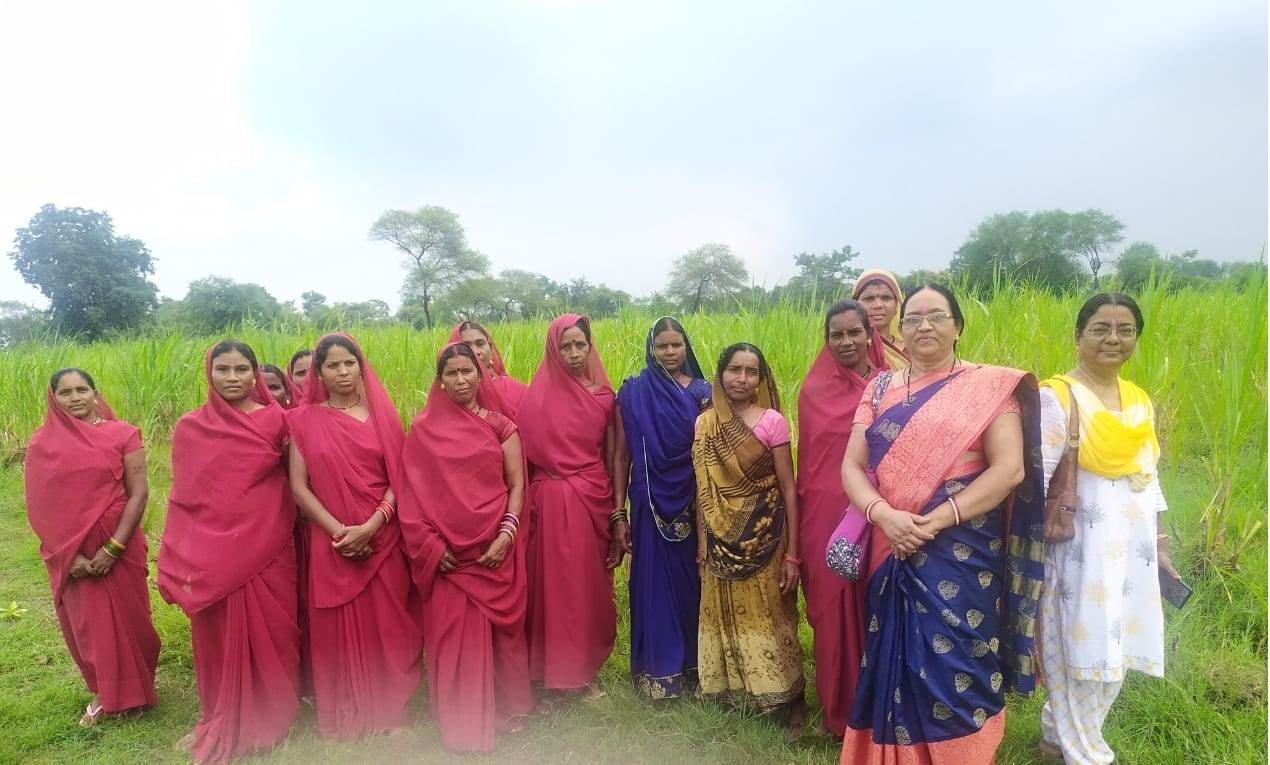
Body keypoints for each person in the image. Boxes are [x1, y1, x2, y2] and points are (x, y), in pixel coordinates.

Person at [839, 283, 1044, 765]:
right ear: (899, 329)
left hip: (960, 553)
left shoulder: (988, 386)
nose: (924, 325)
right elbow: (852, 466)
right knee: (893, 658)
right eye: (913, 317)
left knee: (959, 663)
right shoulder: (880, 387)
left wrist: (937, 519)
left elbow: (1008, 469)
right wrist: (884, 515)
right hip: (891, 545)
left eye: (937, 315)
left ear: (958, 325)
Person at [1036, 293, 1177, 765]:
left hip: (1132, 552)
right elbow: (1036, 484)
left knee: (1118, 649)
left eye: (1125, 329)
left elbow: (1150, 478)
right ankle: (1088, 753)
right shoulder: (1056, 398)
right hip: (1080, 550)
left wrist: (1160, 544)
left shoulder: (1139, 401)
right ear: (1078, 338)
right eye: (1100, 328)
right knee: (1082, 644)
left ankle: (1057, 734)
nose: (1113, 338)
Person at [159, 340, 300, 763]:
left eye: (242, 369)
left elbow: (299, 482)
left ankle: (274, 717)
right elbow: (186, 498)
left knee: (274, 632)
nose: (233, 377)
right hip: (213, 556)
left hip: (269, 545)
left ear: (256, 374)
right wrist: (181, 554)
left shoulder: (280, 421)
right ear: (210, 373)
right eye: (224, 369)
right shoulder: (190, 427)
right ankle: (218, 712)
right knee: (216, 639)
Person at [399, 342, 533, 751]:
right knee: (451, 637)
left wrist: (507, 534)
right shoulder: (422, 430)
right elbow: (411, 495)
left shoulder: (501, 426)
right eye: (451, 374)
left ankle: (504, 711)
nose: (460, 380)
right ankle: (459, 720)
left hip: (495, 549)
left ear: (481, 375)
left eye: (467, 371)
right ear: (439, 381)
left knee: (500, 635)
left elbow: (516, 485)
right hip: (447, 557)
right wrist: (431, 547)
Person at [287, 333, 421, 738]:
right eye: (333, 365)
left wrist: (373, 525)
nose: (343, 372)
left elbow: (399, 478)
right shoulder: (303, 420)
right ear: (319, 373)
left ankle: (391, 710)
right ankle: (347, 709)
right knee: (338, 630)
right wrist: (339, 532)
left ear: (360, 366)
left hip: (383, 537)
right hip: (334, 542)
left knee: (390, 625)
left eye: (350, 363)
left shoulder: (383, 414)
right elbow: (298, 486)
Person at [24, 368, 160, 727]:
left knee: (133, 619)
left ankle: (138, 690)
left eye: (82, 389)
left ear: (95, 393)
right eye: (65, 392)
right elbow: (38, 505)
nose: (75, 398)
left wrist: (112, 549)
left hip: (121, 541)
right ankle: (105, 693)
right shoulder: (42, 443)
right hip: (71, 551)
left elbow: (138, 493)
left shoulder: (123, 433)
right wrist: (67, 557)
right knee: (90, 624)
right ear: (55, 399)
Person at [693, 343, 808, 735]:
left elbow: (789, 488)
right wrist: (703, 544)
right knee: (726, 618)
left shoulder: (772, 420)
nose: (742, 379)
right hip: (719, 540)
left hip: (767, 536)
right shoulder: (705, 423)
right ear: (720, 374)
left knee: (773, 616)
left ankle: (793, 700)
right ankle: (742, 696)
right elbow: (704, 489)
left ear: (761, 377)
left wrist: (793, 553)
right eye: (734, 370)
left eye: (751, 371)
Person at [517, 314, 622, 709]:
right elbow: (524, 461)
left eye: (582, 344)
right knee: (552, 592)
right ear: (553, 349)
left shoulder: (603, 396)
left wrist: (615, 511)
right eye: (567, 346)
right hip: (550, 502)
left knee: (588, 590)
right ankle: (550, 674)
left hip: (591, 500)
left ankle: (584, 671)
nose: (576, 353)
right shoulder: (535, 397)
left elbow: (612, 455)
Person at [795, 300, 883, 738]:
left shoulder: (894, 386)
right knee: (835, 616)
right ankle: (840, 715)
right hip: (828, 517)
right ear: (826, 339)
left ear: (871, 333)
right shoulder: (814, 391)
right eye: (837, 334)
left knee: (881, 609)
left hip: (884, 515)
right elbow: (808, 465)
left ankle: (881, 710)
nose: (846, 342)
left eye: (854, 332)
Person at [613, 317, 711, 700]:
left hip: (694, 501)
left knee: (694, 585)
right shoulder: (634, 391)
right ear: (650, 349)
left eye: (676, 345)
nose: (670, 353)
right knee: (652, 584)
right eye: (662, 346)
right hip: (647, 500)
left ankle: (697, 667)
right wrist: (618, 511)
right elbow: (621, 455)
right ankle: (657, 672)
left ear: (686, 348)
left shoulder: (704, 392)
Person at [449, 321, 528, 420]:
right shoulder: (448, 398)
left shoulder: (515, 390)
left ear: (490, 349)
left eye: (480, 344)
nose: (476, 352)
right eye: (466, 347)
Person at [852, 269, 908, 370]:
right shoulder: (848, 348)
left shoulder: (912, 348)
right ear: (855, 305)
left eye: (886, 298)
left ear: (897, 306)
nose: (878, 305)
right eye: (869, 298)